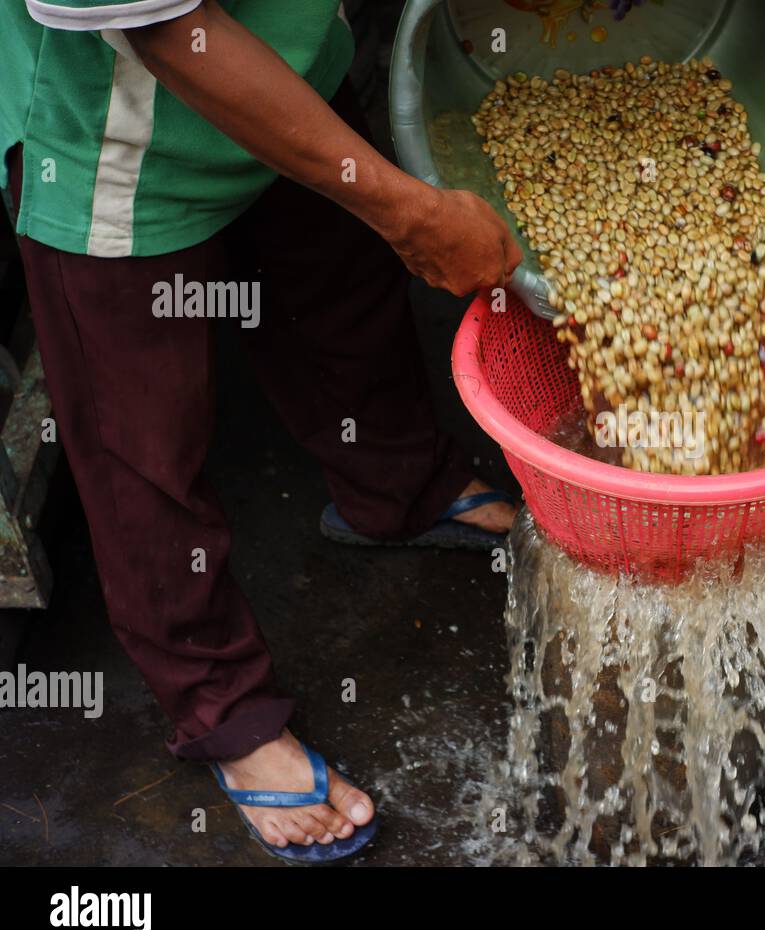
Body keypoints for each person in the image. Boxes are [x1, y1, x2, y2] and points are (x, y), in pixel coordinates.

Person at [1, 0, 523, 861]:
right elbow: (167, 27)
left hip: (285, 60)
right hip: (121, 136)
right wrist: (412, 213)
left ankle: (397, 489)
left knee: (340, 291)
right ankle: (224, 710)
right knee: (142, 442)